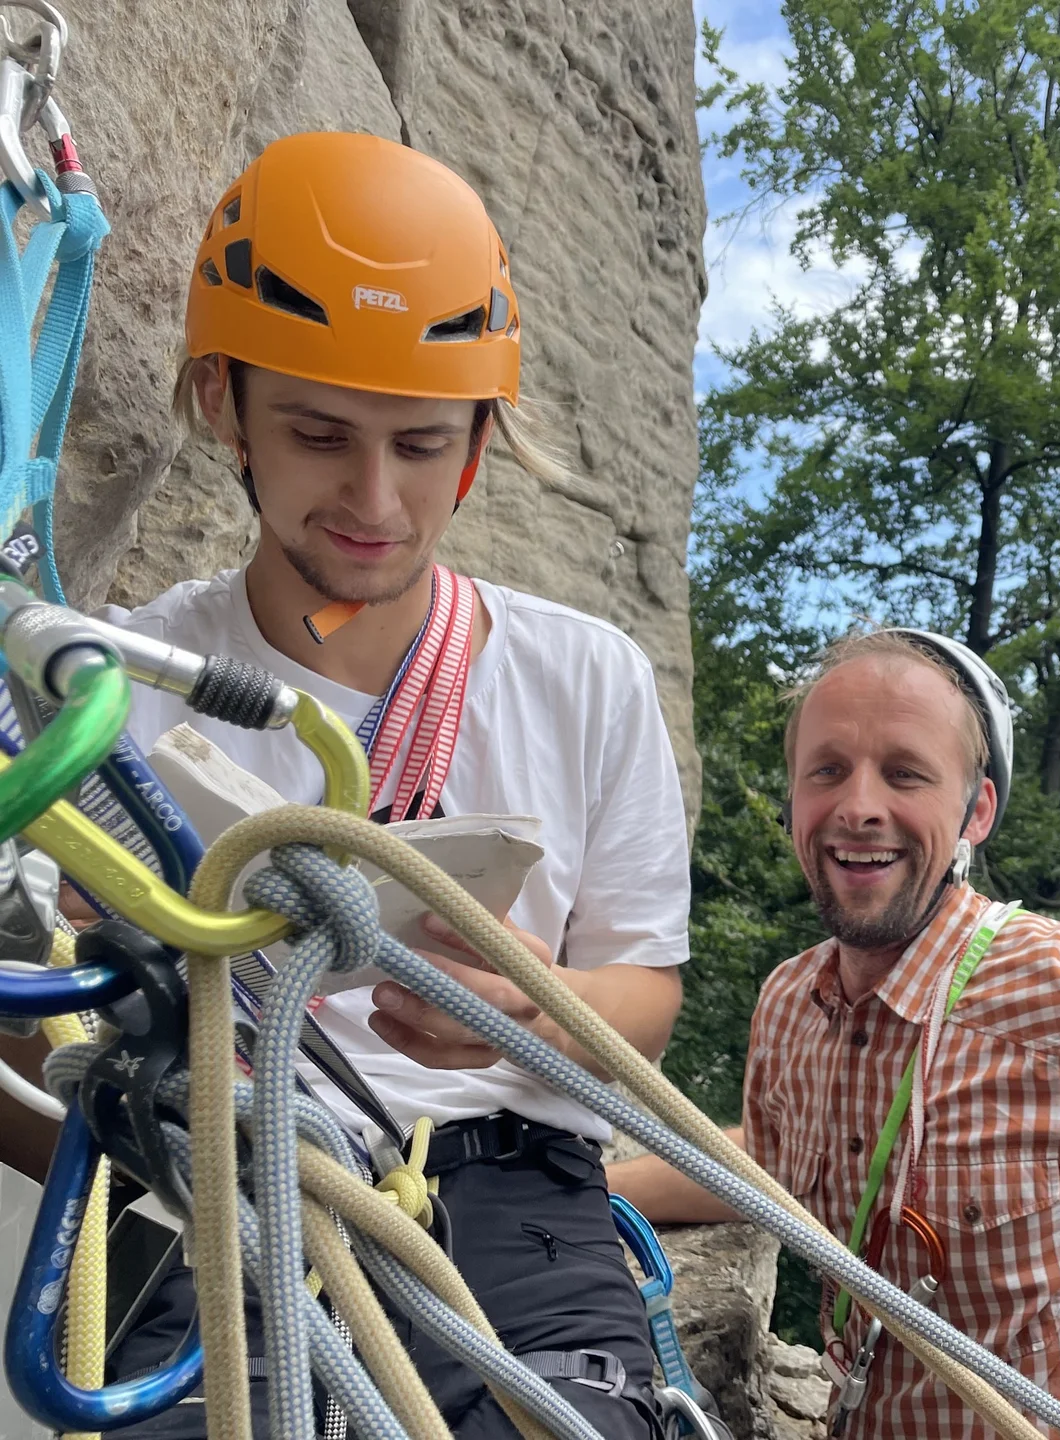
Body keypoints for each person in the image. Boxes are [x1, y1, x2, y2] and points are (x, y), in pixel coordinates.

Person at [101, 131, 690, 1439]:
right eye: (320, 435)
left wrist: (524, 1016)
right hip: (229, 1183)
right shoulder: (131, 691)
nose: (375, 498)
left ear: (481, 439)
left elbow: (644, 995)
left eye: (422, 445)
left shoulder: (585, 679)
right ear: (222, 404)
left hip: (521, 1195)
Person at [610, 626, 1060, 1438]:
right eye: (827, 771)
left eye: (905, 773)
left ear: (976, 810)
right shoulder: (793, 1005)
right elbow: (768, 1161)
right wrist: (589, 1190)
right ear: (795, 798)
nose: (859, 806)